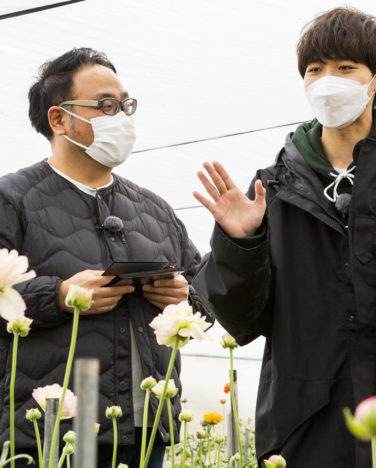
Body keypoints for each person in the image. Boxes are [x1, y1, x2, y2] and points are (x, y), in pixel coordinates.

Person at [192, 7, 376, 467]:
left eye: (344, 68)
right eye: (315, 70)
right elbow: (243, 320)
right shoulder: (273, 186)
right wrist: (241, 245)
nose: (326, 81)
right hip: (308, 424)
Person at [0, 47, 211, 468]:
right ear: (58, 118)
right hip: (47, 434)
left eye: (125, 105)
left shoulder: (155, 211)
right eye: (105, 106)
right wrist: (58, 295)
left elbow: (208, 294)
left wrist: (184, 297)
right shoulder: (12, 199)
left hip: (146, 429)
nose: (121, 118)